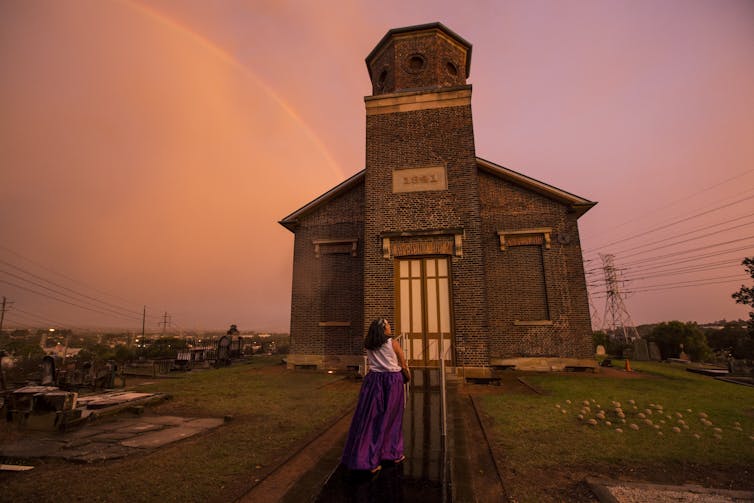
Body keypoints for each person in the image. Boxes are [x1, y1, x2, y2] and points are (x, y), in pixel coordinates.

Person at [341, 318, 411, 473]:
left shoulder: (369, 344)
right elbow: (403, 363)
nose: (389, 327)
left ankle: (364, 457)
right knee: (391, 418)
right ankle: (391, 453)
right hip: (392, 381)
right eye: (387, 325)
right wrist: (406, 374)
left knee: (370, 418)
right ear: (383, 329)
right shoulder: (392, 343)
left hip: (373, 381)